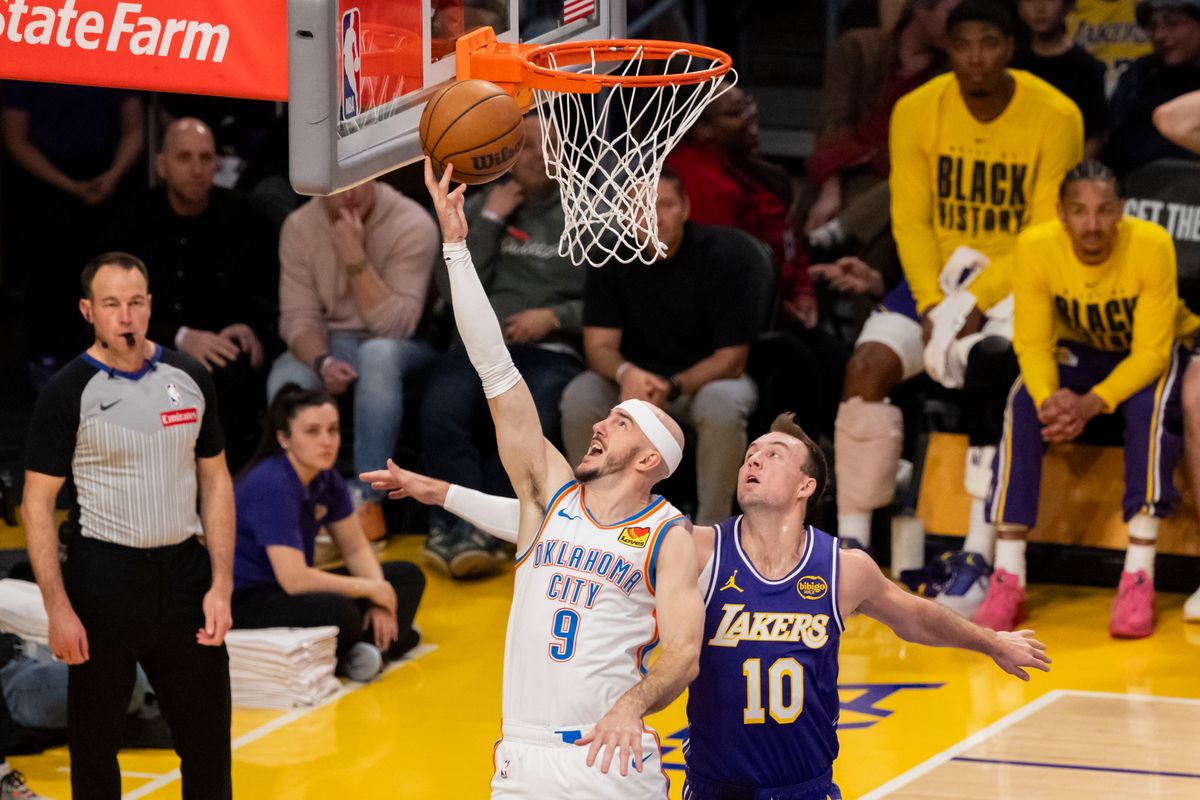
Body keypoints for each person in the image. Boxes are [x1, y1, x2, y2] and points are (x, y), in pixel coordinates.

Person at [367, 413, 1051, 799]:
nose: (754, 459)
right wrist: (444, 495)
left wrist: (990, 642)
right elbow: (553, 522)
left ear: (806, 483)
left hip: (804, 786)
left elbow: (914, 615)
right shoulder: (693, 547)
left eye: (774, 454)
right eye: (750, 451)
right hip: (714, 786)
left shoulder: (842, 569)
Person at [421, 158, 703, 798]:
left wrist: (634, 704)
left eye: (621, 423)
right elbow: (494, 365)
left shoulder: (669, 535)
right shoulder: (549, 494)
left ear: (650, 459)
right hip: (522, 757)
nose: (600, 425)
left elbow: (683, 652)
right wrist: (457, 248)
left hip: (608, 757)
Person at [832, 0, 1082, 585]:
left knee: (989, 374)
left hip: (1020, 284)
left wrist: (971, 305)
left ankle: (976, 544)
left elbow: (1044, 234)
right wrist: (930, 304)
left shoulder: (1056, 114)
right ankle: (852, 547)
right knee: (866, 367)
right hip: (935, 286)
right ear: (947, 47)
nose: (975, 57)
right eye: (963, 43)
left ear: (1010, 48)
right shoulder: (917, 109)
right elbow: (911, 219)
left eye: (989, 43)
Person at [20, 252, 234, 800]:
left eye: (136, 302)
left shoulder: (190, 376)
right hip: (104, 580)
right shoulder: (67, 392)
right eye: (112, 304)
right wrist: (58, 609)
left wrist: (221, 584)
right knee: (95, 751)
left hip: (185, 575)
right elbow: (37, 505)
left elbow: (215, 482)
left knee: (208, 743)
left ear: (150, 306)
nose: (126, 316)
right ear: (88, 311)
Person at [977, 162, 1192, 637]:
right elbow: (1032, 344)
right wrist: (1051, 400)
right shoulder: (1035, 246)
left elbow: (1153, 353)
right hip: (1080, 352)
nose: (1092, 225)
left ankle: (1139, 574)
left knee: (1148, 411)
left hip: (1143, 354)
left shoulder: (1152, 244)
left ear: (1121, 212)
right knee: (1021, 404)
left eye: (1103, 211)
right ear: (1061, 213)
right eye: (1079, 212)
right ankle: (1007, 574)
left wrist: (1091, 404)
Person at [420, 115, 585, 578]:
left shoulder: (585, 215)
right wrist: (490, 219)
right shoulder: (478, 209)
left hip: (550, 350)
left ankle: (491, 530)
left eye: (543, 146)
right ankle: (449, 525)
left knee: (525, 419)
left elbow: (612, 303)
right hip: (477, 349)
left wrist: (554, 317)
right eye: (523, 146)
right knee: (442, 410)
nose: (533, 155)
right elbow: (451, 291)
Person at [559, 170, 764, 525]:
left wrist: (671, 386)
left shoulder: (723, 258)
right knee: (581, 395)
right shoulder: (610, 257)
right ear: (623, 214)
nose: (652, 216)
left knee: (723, 404)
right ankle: (594, 517)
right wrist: (628, 374)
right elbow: (599, 347)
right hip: (634, 384)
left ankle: (711, 534)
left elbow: (732, 360)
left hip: (701, 382)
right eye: (637, 207)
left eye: (664, 205)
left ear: (685, 208)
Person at [268, 179, 440, 540]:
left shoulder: (412, 223)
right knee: (286, 377)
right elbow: (297, 318)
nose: (350, 195)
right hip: (331, 343)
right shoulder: (299, 227)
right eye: (339, 186)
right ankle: (297, 495)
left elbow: (397, 325)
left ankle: (366, 503)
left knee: (377, 355)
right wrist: (322, 363)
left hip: (404, 351)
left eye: (359, 184)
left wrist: (355, 260)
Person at [106, 117, 280, 470]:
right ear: (162, 165)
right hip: (153, 344)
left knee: (230, 376)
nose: (198, 169)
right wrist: (182, 338)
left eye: (206, 158)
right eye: (184, 158)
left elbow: (269, 289)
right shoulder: (132, 221)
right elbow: (114, 307)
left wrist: (249, 326)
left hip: (224, 345)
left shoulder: (247, 217)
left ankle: (230, 491)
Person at [231, 384, 425, 680]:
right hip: (249, 600)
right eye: (312, 431)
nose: (327, 441)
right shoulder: (271, 483)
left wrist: (377, 595)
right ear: (284, 438)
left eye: (333, 430)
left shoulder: (326, 479)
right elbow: (294, 579)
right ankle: (380, 645)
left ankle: (365, 650)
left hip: (288, 592)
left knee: (406, 576)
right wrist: (371, 590)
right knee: (340, 611)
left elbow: (355, 548)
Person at [1, 83, 144, 388]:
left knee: (111, 273)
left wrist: (113, 175)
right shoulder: (27, 60)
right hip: (44, 182)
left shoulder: (115, 50)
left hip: (109, 177)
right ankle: (49, 362)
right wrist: (67, 185)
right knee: (50, 272)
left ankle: (113, 355)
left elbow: (134, 128)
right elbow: (15, 138)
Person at [665, 81, 817, 327]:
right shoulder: (701, 183)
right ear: (702, 130)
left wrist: (803, 290)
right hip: (742, 317)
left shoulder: (750, 168)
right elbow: (728, 273)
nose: (751, 114)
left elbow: (786, 239)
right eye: (735, 113)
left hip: (784, 295)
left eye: (747, 102)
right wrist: (778, 306)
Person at [1103, 0, 1200, 176]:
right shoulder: (1139, 73)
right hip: (1132, 193)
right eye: (1153, 26)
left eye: (1172, 23)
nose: (1159, 35)